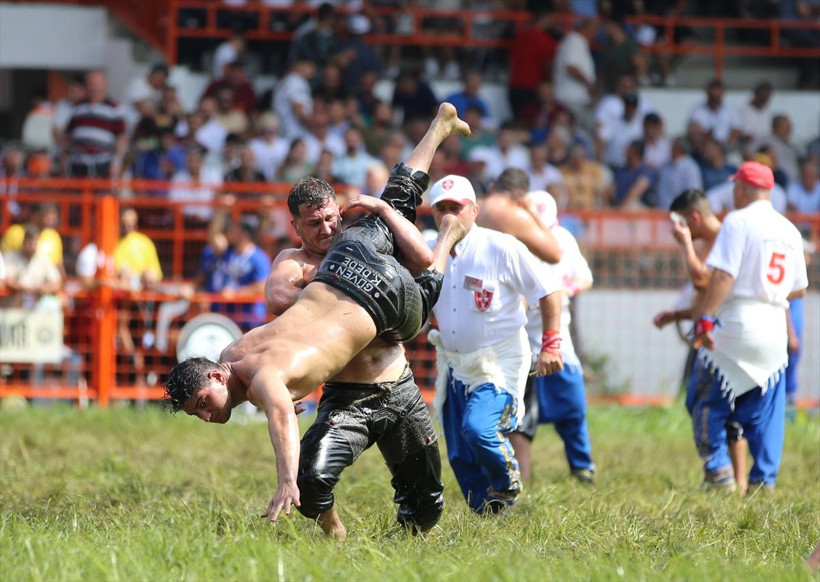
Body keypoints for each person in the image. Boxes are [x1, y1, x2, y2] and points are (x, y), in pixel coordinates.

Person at [163, 103, 471, 531]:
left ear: (338, 213)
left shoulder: (350, 236)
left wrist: (378, 220)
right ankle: (337, 534)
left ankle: (439, 138)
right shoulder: (291, 263)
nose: (326, 230)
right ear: (296, 228)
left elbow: (279, 408)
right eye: (314, 225)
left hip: (393, 368)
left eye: (331, 219)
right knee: (315, 480)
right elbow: (275, 297)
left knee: (425, 511)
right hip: (348, 391)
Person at [427, 173, 563, 515]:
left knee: (479, 428)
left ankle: (507, 484)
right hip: (456, 363)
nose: (447, 216)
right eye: (440, 208)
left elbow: (548, 291)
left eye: (455, 207)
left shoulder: (501, 247)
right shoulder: (432, 255)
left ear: (474, 210)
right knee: (458, 452)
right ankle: (490, 516)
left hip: (498, 362)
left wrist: (551, 343)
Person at [691, 162, 808, 492]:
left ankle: (718, 468)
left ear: (741, 188)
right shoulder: (789, 229)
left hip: (736, 323)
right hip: (773, 326)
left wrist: (705, 318)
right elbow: (799, 288)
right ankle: (763, 481)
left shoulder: (737, 221)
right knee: (766, 413)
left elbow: (723, 276)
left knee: (703, 399)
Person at [652, 189, 748, 493]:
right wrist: (678, 314)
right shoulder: (713, 241)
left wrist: (685, 246)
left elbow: (701, 281)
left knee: (706, 404)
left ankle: (723, 474)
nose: (678, 232)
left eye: (681, 224)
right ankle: (733, 480)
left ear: (693, 218)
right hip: (711, 331)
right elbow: (705, 297)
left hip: (718, 336)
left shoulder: (721, 240)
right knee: (720, 407)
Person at [513, 191, 596, 484]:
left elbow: (585, 278)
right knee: (518, 418)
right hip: (521, 344)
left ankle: (582, 467)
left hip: (558, 342)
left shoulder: (563, 239)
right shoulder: (515, 242)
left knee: (573, 408)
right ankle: (516, 476)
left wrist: (565, 291)